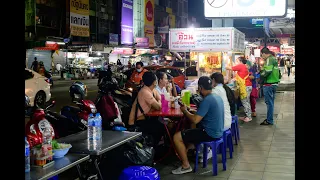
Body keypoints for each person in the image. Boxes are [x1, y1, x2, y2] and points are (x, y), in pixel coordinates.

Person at [171, 76, 224, 175]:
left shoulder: (207, 100)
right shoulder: (216, 97)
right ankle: (190, 150)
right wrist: (192, 110)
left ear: (200, 87)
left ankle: (185, 165)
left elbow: (195, 120)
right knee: (190, 130)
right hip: (218, 131)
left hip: (209, 133)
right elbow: (205, 113)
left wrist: (185, 111)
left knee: (177, 137)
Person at [128, 71, 164, 147]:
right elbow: (159, 106)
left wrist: (159, 101)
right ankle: (153, 148)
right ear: (155, 82)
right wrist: (159, 101)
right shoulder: (145, 92)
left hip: (146, 118)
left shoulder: (152, 89)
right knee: (160, 127)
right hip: (138, 122)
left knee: (161, 125)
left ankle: (155, 146)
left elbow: (161, 99)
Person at [226, 57, 252, 122]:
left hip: (245, 86)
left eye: (237, 61)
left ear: (240, 61)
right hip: (246, 86)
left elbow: (228, 68)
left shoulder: (241, 65)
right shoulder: (244, 66)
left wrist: (227, 62)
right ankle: (247, 115)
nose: (236, 62)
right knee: (246, 101)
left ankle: (249, 117)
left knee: (245, 101)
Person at [260, 47, 280, 125]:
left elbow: (267, 71)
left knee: (269, 103)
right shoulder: (273, 58)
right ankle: (269, 118)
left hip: (269, 84)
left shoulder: (269, 59)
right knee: (271, 102)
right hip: (273, 83)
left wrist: (261, 74)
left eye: (262, 55)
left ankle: (269, 120)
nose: (262, 57)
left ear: (264, 53)